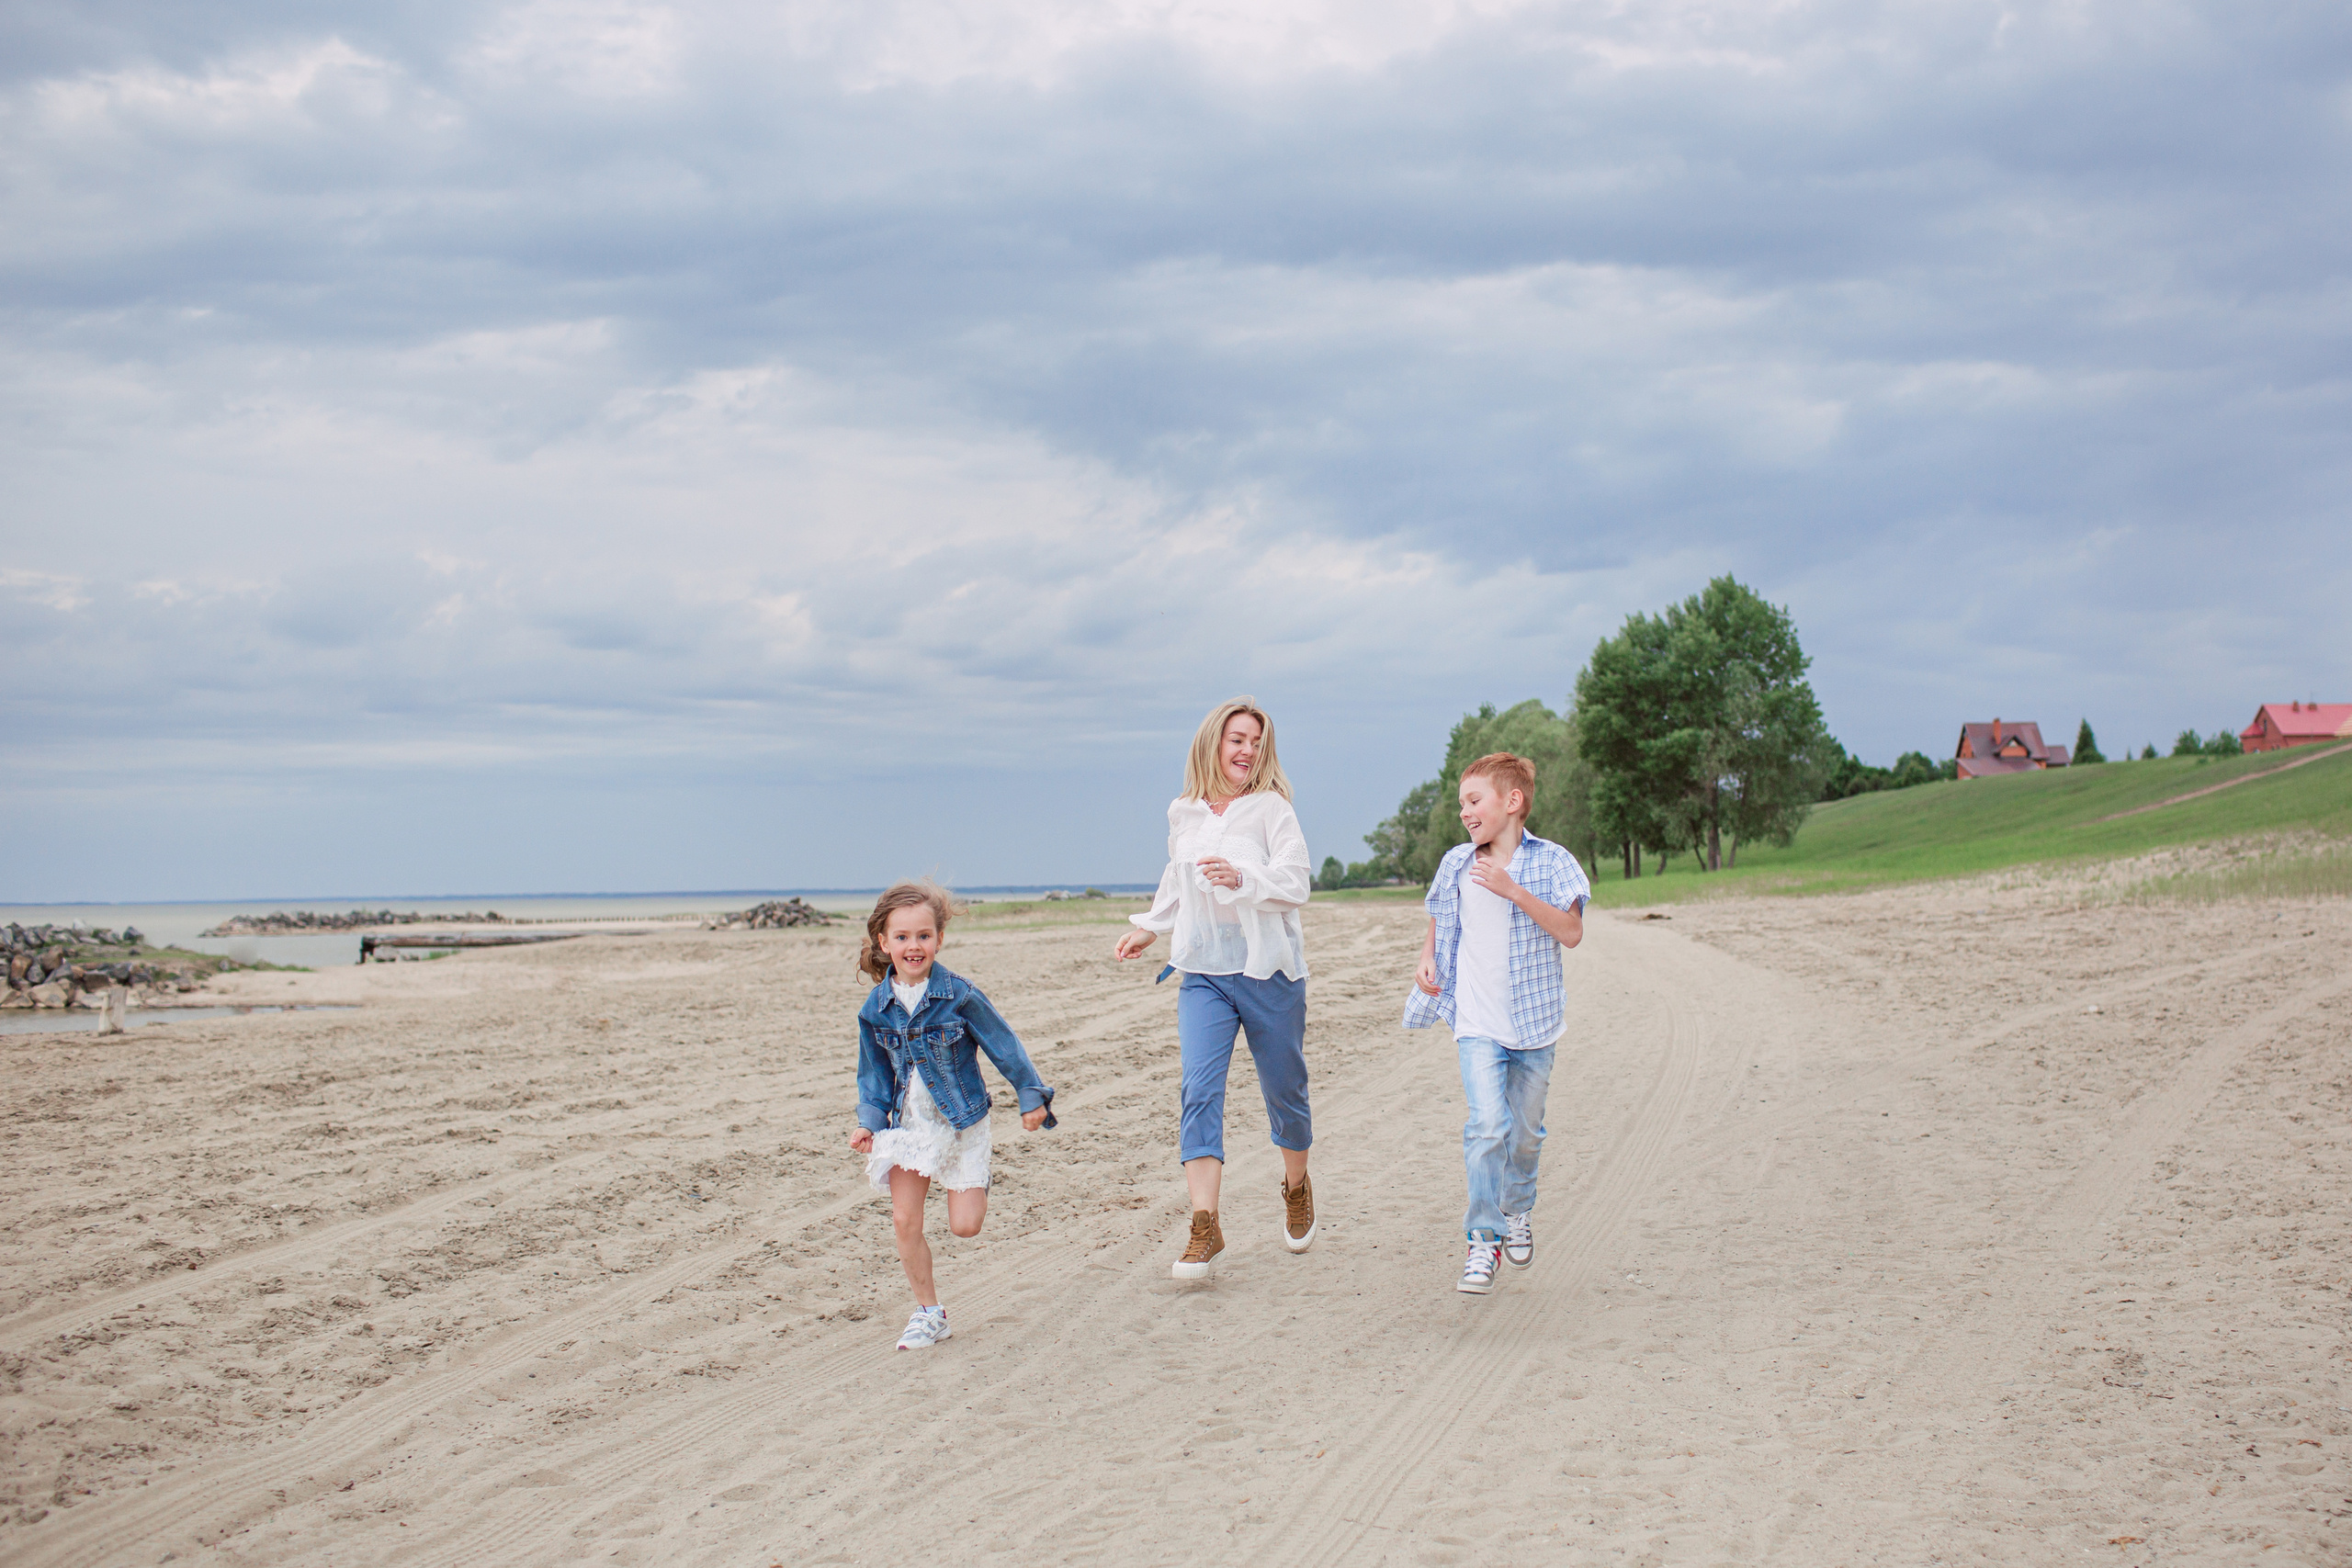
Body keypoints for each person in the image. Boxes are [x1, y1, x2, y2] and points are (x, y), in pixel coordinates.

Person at [1114, 696, 1317, 1280]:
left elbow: (1296, 884)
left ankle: (1297, 1185)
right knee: (1198, 1090)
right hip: (1203, 971)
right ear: (1213, 743)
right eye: (1237, 739)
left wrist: (1244, 878)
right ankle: (1205, 1226)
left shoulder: (1272, 809)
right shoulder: (1183, 811)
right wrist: (1150, 929)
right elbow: (1178, 882)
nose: (1247, 751)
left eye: (1256, 742)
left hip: (1268, 973)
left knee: (1285, 1093)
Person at [1403, 752, 1589, 1295]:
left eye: (1474, 800)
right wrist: (1427, 956)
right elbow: (1441, 917)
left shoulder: (1553, 862)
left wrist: (1513, 890)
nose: (1465, 812)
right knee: (1487, 1126)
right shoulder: (1456, 863)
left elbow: (1572, 932)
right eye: (1461, 802)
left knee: (1525, 1135)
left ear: (1512, 802)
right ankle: (1483, 1241)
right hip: (1475, 1020)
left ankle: (1518, 1208)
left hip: (1535, 1025)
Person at [850, 880, 1057, 1348]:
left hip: (961, 1121)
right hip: (906, 1127)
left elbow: (1005, 1046)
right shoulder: (876, 1009)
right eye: (901, 937)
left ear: (939, 939)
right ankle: (928, 1312)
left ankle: (973, 1177)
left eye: (923, 936)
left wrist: (1031, 1095)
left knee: (965, 1227)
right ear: (884, 943)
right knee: (905, 1220)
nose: (913, 946)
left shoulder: (959, 995)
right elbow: (873, 1074)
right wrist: (868, 1121)